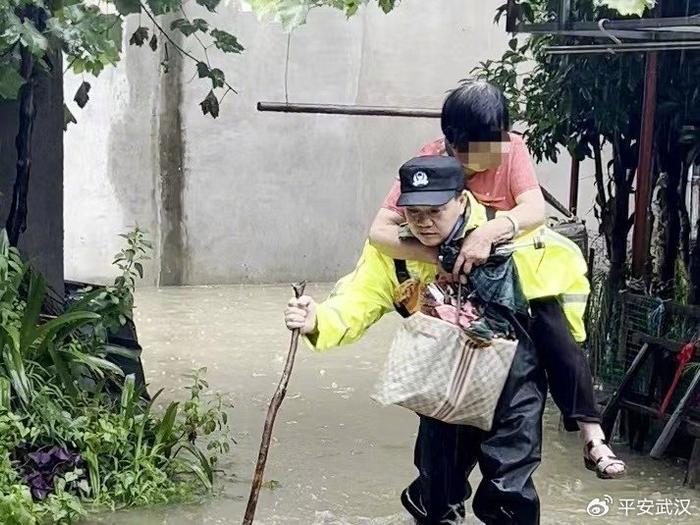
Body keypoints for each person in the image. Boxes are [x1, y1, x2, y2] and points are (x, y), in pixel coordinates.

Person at [368, 80, 625, 479]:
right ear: (451, 143)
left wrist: (489, 232)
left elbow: (533, 209)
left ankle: (592, 434)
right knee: (442, 436)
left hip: (512, 275)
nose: (491, 158)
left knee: (554, 329)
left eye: (497, 143)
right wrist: (438, 254)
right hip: (454, 291)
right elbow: (380, 231)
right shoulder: (431, 164)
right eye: (477, 151)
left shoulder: (511, 149)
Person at [285, 155, 557, 524]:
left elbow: (557, 314)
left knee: (509, 496)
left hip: (513, 380)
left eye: (435, 210)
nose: (425, 222)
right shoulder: (391, 253)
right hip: (441, 384)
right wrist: (315, 318)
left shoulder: (508, 234)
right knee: (438, 497)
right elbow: (355, 303)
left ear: (461, 200)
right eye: (414, 213)